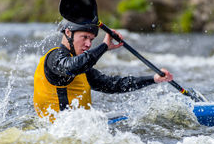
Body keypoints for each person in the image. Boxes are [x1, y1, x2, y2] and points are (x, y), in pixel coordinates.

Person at [33, 19, 173, 120]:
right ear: (68, 33)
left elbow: (112, 84)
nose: (88, 44)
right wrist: (104, 45)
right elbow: (72, 67)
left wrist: (154, 79)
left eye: (92, 39)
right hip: (58, 135)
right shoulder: (54, 58)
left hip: (79, 130)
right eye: (85, 37)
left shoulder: (82, 67)